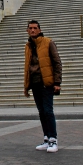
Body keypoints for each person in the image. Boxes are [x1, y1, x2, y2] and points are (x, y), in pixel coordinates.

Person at [23, 20, 62, 153]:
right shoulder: (28, 46)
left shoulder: (48, 42)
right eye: (30, 28)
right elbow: (27, 67)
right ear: (27, 31)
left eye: (35, 28)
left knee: (48, 111)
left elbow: (57, 63)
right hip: (35, 83)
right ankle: (46, 138)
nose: (32, 30)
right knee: (41, 112)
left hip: (46, 83)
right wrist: (26, 85)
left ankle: (53, 139)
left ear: (39, 30)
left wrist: (57, 83)